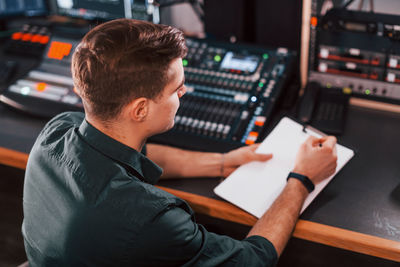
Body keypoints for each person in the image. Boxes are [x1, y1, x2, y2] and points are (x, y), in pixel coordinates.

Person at [22, 18, 337, 266]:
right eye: (176, 89)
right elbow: (251, 260)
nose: (183, 94)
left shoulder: (58, 131)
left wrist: (225, 162)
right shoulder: (150, 217)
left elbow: (141, 155)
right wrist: (301, 179)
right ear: (140, 109)